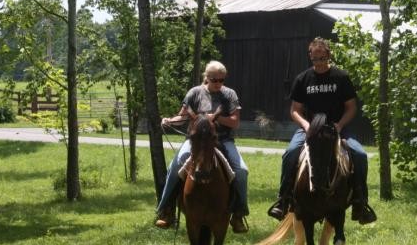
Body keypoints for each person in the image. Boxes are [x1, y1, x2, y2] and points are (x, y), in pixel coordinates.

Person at [267, 37, 377, 224]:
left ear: (328, 56)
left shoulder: (341, 77)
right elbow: (295, 110)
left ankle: (360, 201)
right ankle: (283, 199)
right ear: (310, 56)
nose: (318, 62)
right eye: (314, 58)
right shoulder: (303, 79)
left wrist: (340, 125)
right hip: (309, 128)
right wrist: (306, 125)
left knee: (359, 154)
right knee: (290, 153)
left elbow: (351, 107)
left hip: (337, 126)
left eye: (322, 58)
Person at [155, 60, 249, 233]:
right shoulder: (195, 93)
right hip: (196, 141)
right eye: (215, 80)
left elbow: (235, 122)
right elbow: (183, 117)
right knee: (175, 165)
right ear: (207, 77)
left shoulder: (230, 95)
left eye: (222, 80)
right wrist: (169, 120)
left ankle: (238, 213)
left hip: (223, 140)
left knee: (242, 170)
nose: (218, 83)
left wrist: (215, 118)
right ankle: (166, 209)